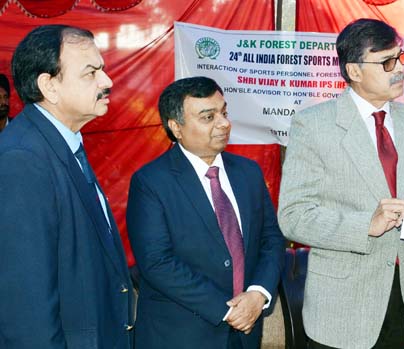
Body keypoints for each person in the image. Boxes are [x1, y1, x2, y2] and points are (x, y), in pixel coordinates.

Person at [278, 18, 404, 348]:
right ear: (354, 71)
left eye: (400, 57)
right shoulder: (313, 125)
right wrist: (365, 225)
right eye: (385, 62)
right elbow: (294, 216)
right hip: (341, 310)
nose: (398, 68)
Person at [126, 76, 285, 349]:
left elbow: (271, 239)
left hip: (245, 333)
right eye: (208, 117)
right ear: (176, 127)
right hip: (181, 335)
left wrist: (258, 295)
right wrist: (228, 310)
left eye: (223, 112)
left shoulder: (248, 172)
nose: (223, 123)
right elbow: (157, 262)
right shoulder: (151, 182)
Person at [0, 25, 133, 348]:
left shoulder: (62, 143)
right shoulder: (23, 159)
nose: (107, 82)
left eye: (102, 69)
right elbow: (26, 309)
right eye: (91, 73)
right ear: (49, 86)